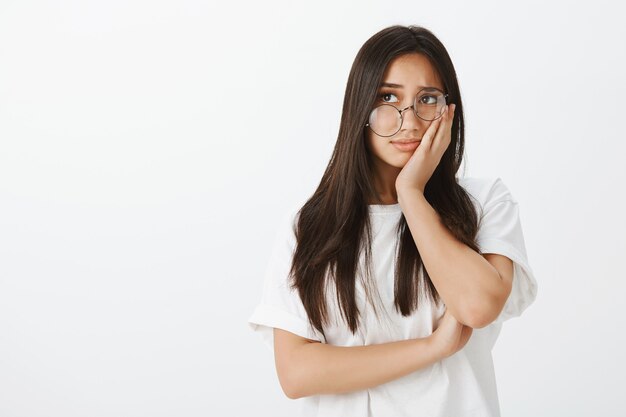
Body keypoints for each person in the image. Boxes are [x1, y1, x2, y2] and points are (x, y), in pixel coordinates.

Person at [247, 24, 538, 417]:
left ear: (449, 110)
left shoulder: (484, 203)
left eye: (428, 99)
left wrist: (411, 194)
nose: (410, 120)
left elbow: (477, 307)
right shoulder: (309, 225)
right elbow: (296, 374)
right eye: (388, 97)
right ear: (360, 109)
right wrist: (432, 348)